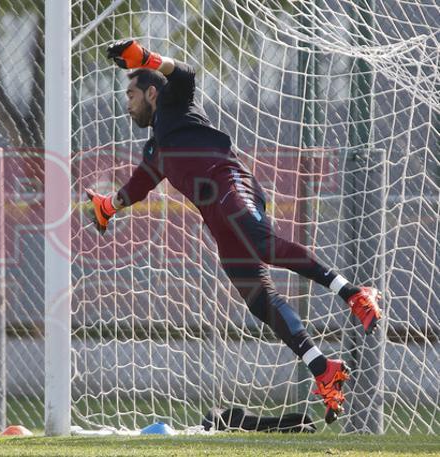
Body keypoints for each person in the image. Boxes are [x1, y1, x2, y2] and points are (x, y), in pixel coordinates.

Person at [85, 39, 382, 424]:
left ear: (152, 93)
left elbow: (187, 74)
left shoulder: (178, 105)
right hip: (217, 219)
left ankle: (354, 293)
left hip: (230, 185)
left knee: (265, 247)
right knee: (260, 300)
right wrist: (106, 207)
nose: (127, 104)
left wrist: (144, 58)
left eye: (131, 94)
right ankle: (324, 368)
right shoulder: (155, 149)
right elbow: (138, 188)